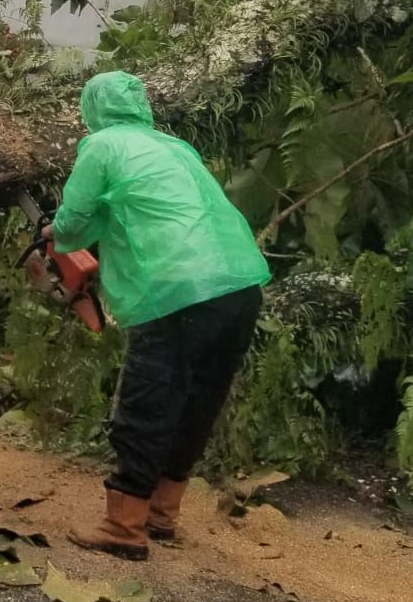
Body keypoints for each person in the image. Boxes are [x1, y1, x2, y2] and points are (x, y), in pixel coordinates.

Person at [46, 71, 271, 561]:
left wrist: (56, 234)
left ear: (92, 109)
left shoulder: (102, 145)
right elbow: (143, 210)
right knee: (197, 403)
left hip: (177, 289)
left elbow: (74, 221)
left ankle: (123, 527)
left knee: (148, 403)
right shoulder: (175, 148)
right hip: (239, 285)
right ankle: (162, 514)